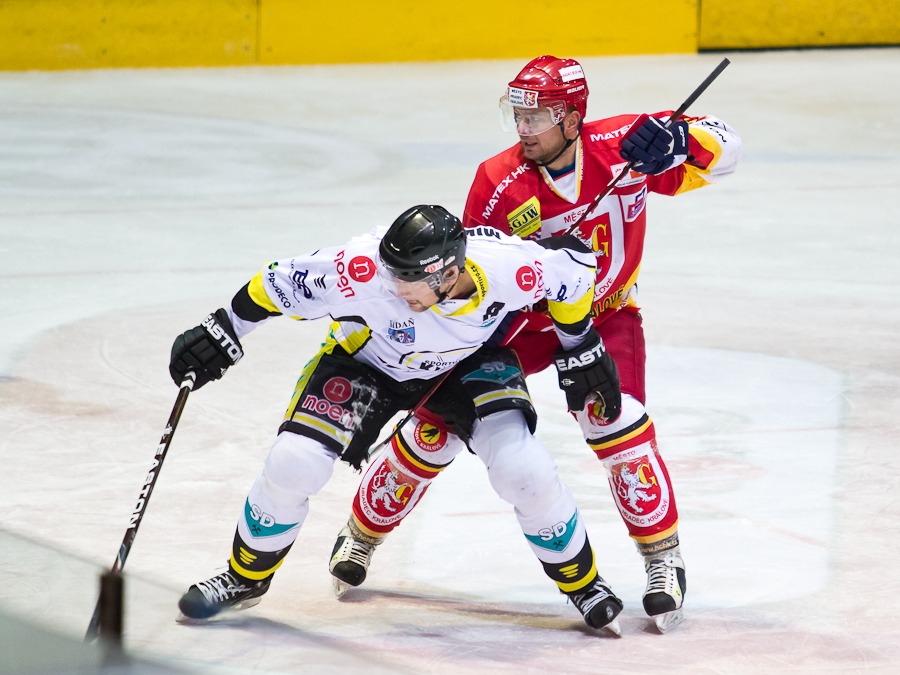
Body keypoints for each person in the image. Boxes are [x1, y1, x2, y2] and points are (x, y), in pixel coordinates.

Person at [328, 56, 742, 633]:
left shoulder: (625, 145)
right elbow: (467, 274)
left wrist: (680, 143)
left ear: (572, 118)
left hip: (606, 314)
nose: (524, 129)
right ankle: (363, 531)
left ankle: (662, 559)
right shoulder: (498, 181)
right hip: (519, 324)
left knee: (616, 422)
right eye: (517, 116)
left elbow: (728, 150)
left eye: (537, 117)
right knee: (439, 427)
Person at [169, 204, 627, 632]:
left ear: (450, 274)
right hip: (366, 363)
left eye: (408, 279)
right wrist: (223, 329)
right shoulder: (361, 269)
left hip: (463, 363)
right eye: (392, 272)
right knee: (294, 462)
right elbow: (276, 284)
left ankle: (583, 583)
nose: (395, 287)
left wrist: (581, 346)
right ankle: (244, 577)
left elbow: (574, 268)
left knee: (523, 469)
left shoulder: (509, 267)